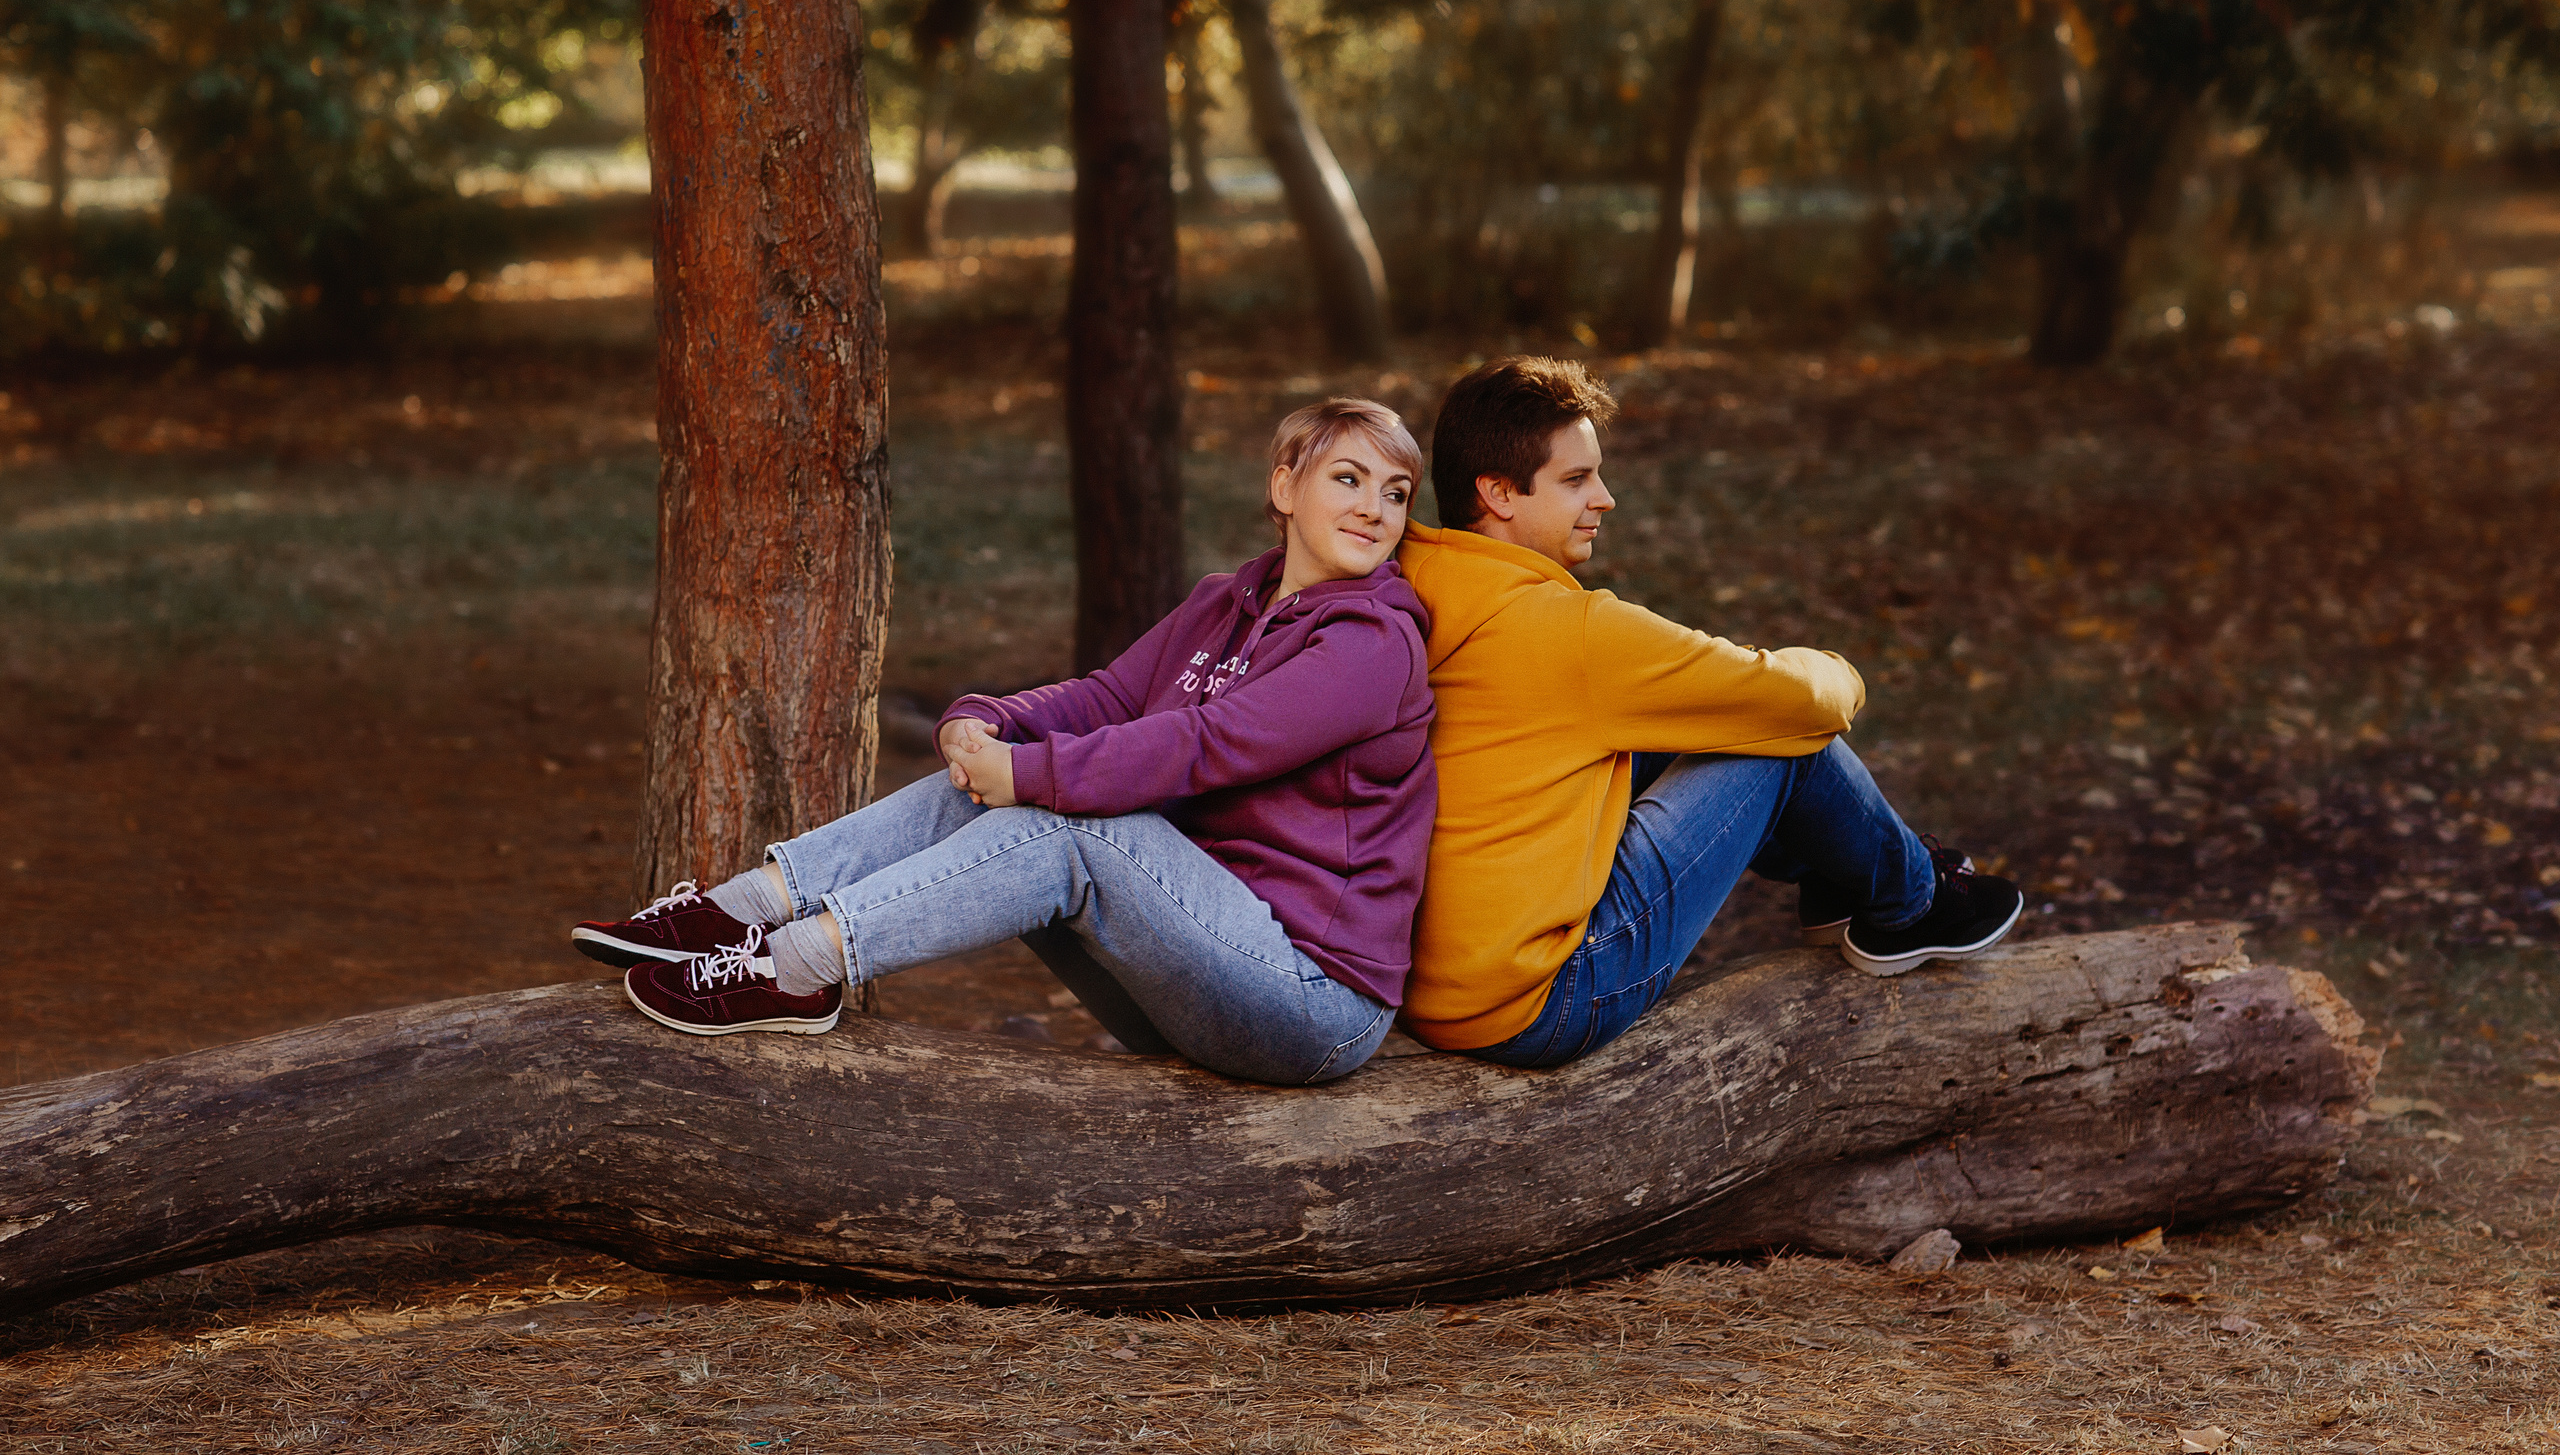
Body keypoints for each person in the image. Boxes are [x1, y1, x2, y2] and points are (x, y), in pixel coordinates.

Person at [570, 398, 1435, 1087]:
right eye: (1349, 479)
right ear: (1285, 487)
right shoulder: (1225, 600)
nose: (1373, 508)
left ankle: (797, 968)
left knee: (1081, 821)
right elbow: (1107, 696)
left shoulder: (1370, 645)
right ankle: (739, 911)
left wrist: (1024, 770)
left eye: (1395, 492)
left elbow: (1206, 745)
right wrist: (986, 719)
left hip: (1310, 1002)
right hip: (1198, 959)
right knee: (987, 787)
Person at [1392, 356, 2022, 1067]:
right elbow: (1804, 699)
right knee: (1784, 739)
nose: (1605, 498)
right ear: (1498, 492)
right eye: (1576, 480)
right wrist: (1841, 669)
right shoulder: (1570, 632)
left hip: (1433, 987)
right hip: (1544, 1000)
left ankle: (1840, 872)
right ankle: (1914, 903)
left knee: (1682, 728)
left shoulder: (1413, 583)